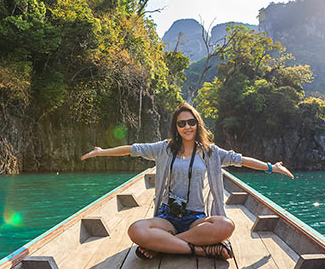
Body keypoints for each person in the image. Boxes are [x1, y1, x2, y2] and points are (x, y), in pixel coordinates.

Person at [81, 102, 295, 260]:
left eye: (191, 122)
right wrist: (102, 152)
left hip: (195, 218)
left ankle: (164, 244)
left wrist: (270, 167)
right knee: (135, 230)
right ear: (176, 127)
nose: (187, 127)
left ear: (197, 124)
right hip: (168, 216)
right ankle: (199, 249)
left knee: (225, 226)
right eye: (181, 123)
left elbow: (241, 160)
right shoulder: (164, 148)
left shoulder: (211, 153)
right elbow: (133, 149)